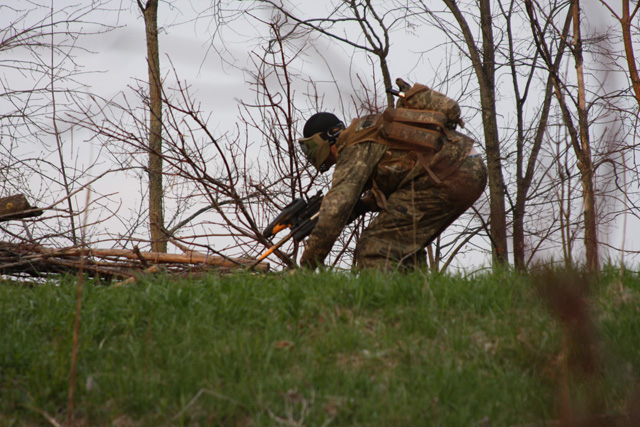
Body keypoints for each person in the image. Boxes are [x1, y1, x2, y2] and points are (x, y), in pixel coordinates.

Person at [297, 81, 487, 270]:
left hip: (449, 172)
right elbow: (404, 169)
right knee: (403, 246)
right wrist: (365, 204)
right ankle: (416, 297)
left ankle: (383, 300)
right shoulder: (368, 130)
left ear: (327, 137)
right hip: (467, 165)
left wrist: (306, 266)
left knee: (375, 246)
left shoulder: (352, 147)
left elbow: (335, 210)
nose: (310, 154)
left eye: (310, 147)